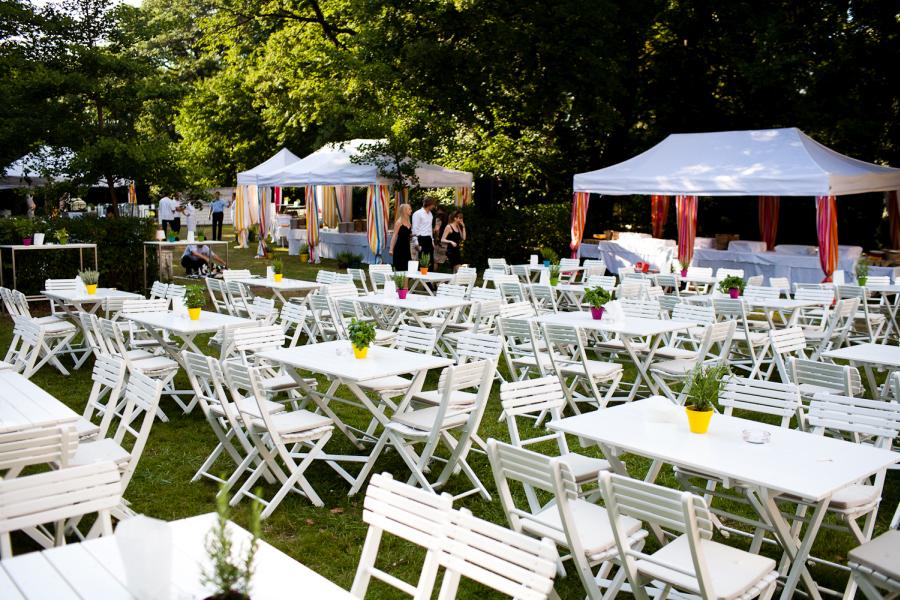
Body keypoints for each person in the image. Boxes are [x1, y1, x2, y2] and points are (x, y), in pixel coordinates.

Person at [411, 198, 435, 270]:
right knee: (422, 261)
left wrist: (432, 240)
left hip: (428, 239)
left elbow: (430, 228)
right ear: (429, 204)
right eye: (433, 204)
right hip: (421, 238)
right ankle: (421, 276)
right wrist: (416, 242)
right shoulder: (417, 213)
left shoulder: (430, 214)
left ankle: (430, 276)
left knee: (430, 261)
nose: (434, 206)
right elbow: (415, 228)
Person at [389, 203, 413, 270]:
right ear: (405, 210)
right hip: (399, 248)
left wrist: (413, 235)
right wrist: (391, 249)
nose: (411, 210)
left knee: (407, 268)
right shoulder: (399, 222)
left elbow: (406, 234)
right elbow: (394, 236)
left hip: (407, 248)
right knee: (400, 269)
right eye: (409, 209)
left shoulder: (409, 222)